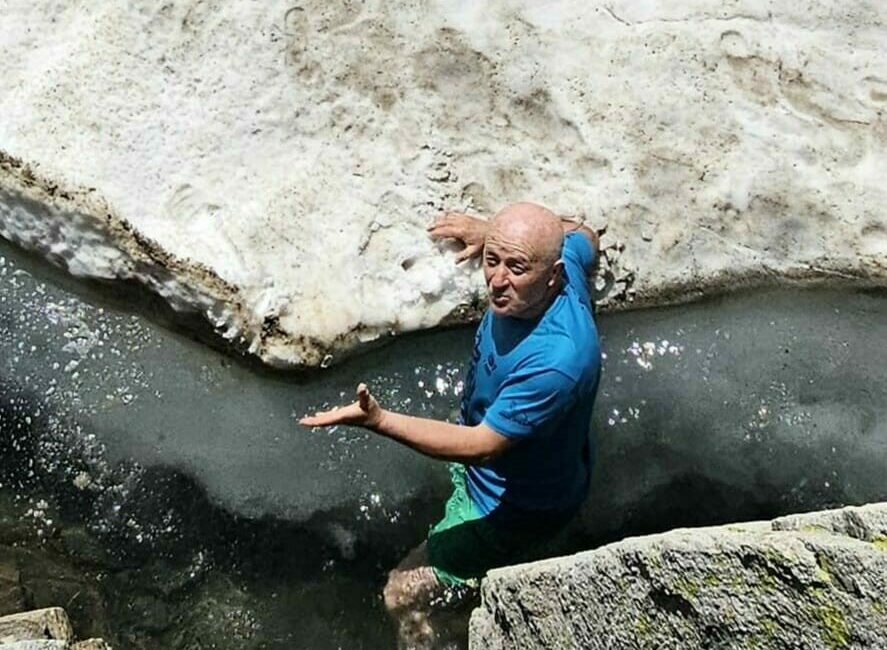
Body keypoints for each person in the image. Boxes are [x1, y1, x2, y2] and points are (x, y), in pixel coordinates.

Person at [300, 202, 601, 647]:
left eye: (516, 267)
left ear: (553, 275)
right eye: (493, 260)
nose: (497, 280)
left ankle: (477, 630)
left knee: (401, 595)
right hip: (509, 457)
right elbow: (587, 235)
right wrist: (493, 233)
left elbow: (481, 446)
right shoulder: (565, 266)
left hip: (509, 506)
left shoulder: (559, 359)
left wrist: (378, 420)